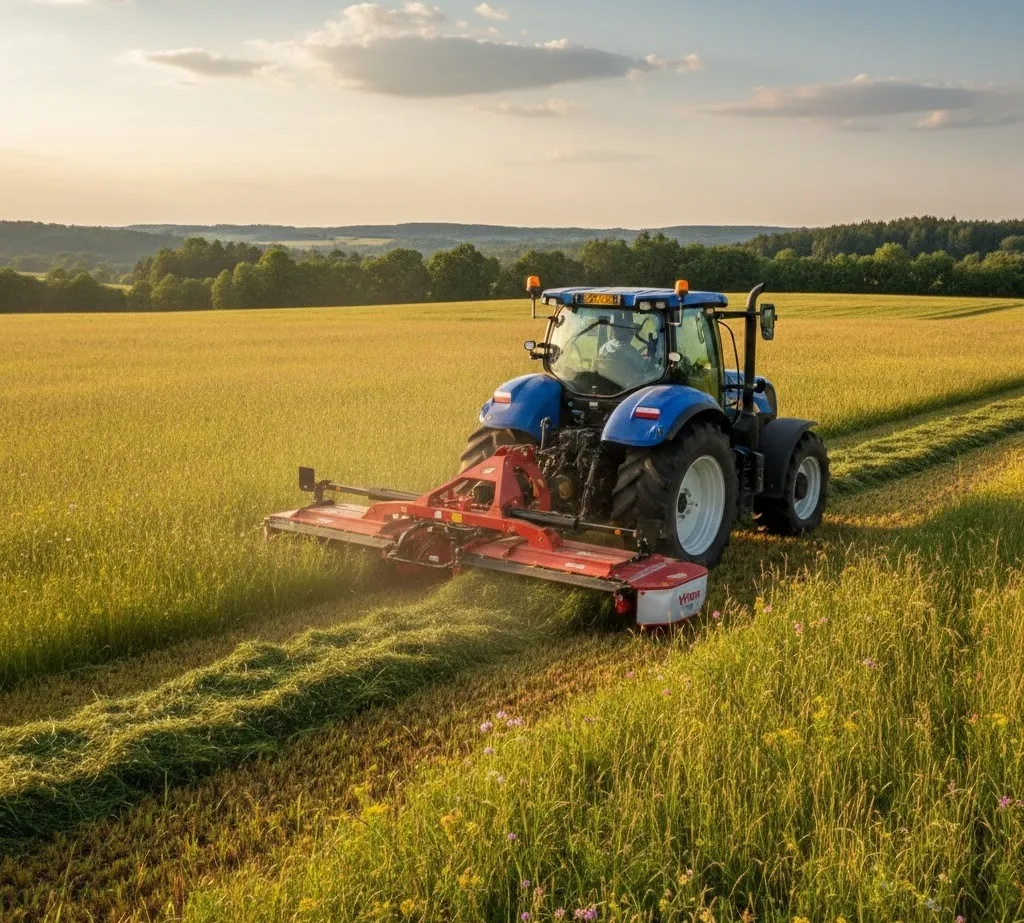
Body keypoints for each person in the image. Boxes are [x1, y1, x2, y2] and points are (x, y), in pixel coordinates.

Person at [597, 313, 653, 387]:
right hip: (629, 386)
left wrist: (639, 353)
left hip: (608, 383)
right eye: (630, 332)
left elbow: (619, 357)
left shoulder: (603, 347)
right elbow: (644, 367)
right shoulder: (629, 350)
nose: (632, 335)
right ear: (626, 333)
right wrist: (649, 356)